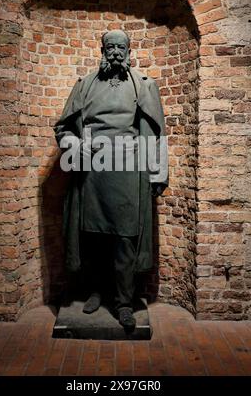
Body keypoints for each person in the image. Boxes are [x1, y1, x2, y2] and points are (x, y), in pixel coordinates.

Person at [54, 29, 168, 330]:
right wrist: (75, 146)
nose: (115, 52)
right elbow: (63, 127)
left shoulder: (142, 85)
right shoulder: (85, 85)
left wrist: (157, 171)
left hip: (129, 171)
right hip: (91, 171)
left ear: (129, 51)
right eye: (110, 48)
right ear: (102, 50)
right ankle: (95, 291)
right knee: (91, 237)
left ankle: (123, 302)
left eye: (121, 48)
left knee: (124, 239)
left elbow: (156, 134)